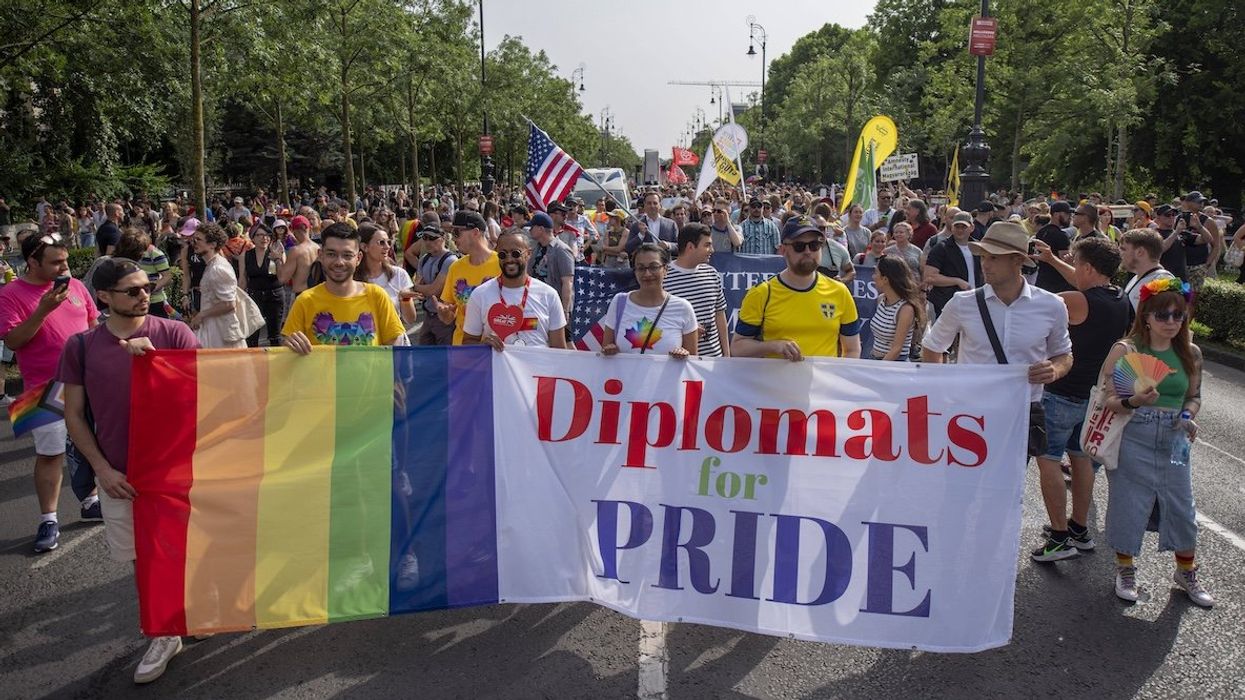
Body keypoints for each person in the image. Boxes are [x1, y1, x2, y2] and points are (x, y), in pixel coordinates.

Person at [60, 258, 200, 683]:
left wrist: (158, 365)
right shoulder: (81, 346)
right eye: (133, 290)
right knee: (142, 558)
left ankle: (189, 615)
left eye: (147, 286)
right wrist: (102, 469)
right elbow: (74, 415)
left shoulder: (174, 333)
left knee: (188, 548)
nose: (145, 295)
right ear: (103, 297)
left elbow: (208, 393)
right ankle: (163, 631)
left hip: (177, 470)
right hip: (121, 476)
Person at [1098, 278, 1212, 607]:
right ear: (1146, 314)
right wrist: (1134, 400)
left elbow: (1194, 397)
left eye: (1178, 315)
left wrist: (1188, 417)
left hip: (1175, 436)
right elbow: (1108, 399)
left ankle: (1186, 571)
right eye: (1163, 315)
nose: (1171, 322)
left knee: (1182, 507)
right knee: (1128, 504)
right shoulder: (1127, 349)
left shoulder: (1191, 352)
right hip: (1135, 433)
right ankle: (1125, 569)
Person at [922, 222, 1073, 460]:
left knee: (1010, 491)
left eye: (993, 257)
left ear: (1017, 261)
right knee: (962, 489)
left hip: (1021, 413)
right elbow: (932, 348)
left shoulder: (1052, 305)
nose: (985, 264)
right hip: (968, 413)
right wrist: (945, 391)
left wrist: (1053, 369)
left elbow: (1064, 355)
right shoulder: (963, 302)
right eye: (983, 256)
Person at [1027, 237, 1132, 562]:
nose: (1072, 267)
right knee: (1081, 458)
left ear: (1087, 267)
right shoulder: (1121, 298)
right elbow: (1083, 283)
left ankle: (1059, 537)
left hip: (1062, 393)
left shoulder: (1073, 300)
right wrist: (1053, 260)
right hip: (1094, 396)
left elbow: (1036, 305)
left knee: (1048, 461)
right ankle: (1079, 528)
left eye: (1076, 262)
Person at [0, 232, 101, 552]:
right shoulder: (11, 294)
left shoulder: (76, 287)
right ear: (31, 262)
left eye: (66, 260)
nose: (64, 267)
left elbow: (94, 327)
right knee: (51, 453)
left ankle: (91, 501)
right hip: (43, 388)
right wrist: (42, 310)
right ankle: (48, 519)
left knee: (92, 446)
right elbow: (13, 342)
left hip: (86, 381)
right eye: (56, 262)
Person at [732, 218, 862, 361]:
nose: (807, 251)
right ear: (783, 250)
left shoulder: (839, 292)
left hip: (823, 382)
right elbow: (738, 347)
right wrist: (773, 346)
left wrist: (837, 379)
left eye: (814, 245)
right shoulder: (762, 293)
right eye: (799, 246)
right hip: (776, 382)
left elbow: (852, 349)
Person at [282, 223, 406, 350]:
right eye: (331, 254)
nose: (339, 262)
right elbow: (288, 347)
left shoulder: (377, 296)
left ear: (358, 258)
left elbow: (394, 346)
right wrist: (291, 344)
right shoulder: (305, 301)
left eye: (347, 255)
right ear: (320, 255)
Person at [462, 231, 567, 349]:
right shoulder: (480, 295)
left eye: (516, 253)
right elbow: (467, 344)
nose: (509, 259)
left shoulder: (549, 295)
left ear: (528, 254)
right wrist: (483, 345)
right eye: (502, 254)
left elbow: (559, 349)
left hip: (538, 367)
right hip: (498, 367)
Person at [600, 243, 697, 358]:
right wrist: (609, 350)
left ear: (665, 270)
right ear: (635, 272)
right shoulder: (619, 302)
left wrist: (684, 355)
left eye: (653, 267)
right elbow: (605, 350)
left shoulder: (683, 307)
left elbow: (693, 361)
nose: (647, 274)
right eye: (641, 268)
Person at [664, 223, 730, 358]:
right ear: (690, 247)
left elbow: (720, 315)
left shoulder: (712, 273)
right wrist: (687, 333)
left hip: (714, 361)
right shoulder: (664, 277)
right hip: (679, 363)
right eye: (707, 245)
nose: (712, 250)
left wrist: (727, 355)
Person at [438, 210, 500, 345]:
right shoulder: (456, 267)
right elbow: (450, 314)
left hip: (497, 349)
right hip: (463, 348)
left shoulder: (502, 265)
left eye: (457, 233)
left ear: (475, 232)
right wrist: (445, 314)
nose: (453, 238)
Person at [187, 223, 245, 348]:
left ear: (212, 244)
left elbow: (229, 304)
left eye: (199, 239)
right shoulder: (212, 265)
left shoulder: (218, 268)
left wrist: (201, 315)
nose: (194, 243)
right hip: (213, 328)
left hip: (221, 332)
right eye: (193, 239)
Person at [355, 223, 417, 327]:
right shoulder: (352, 279)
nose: (387, 247)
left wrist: (405, 299)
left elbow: (410, 319)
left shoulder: (398, 274)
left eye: (388, 242)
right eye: (381, 243)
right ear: (364, 247)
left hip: (395, 339)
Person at [923, 212, 983, 318]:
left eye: (964, 227)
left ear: (972, 227)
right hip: (947, 304)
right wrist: (957, 281)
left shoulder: (979, 248)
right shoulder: (941, 248)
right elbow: (929, 276)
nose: (960, 230)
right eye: (957, 226)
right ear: (952, 227)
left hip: (975, 302)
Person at [869, 255, 923, 361]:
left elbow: (896, 349)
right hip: (874, 358)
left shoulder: (906, 309)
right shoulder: (881, 300)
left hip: (894, 365)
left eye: (876, 273)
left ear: (885, 279)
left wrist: (878, 369)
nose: (873, 277)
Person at [239, 225, 285, 347]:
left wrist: (278, 259)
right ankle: (252, 362)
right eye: (259, 235)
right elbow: (242, 279)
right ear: (253, 238)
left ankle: (277, 363)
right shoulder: (245, 255)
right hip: (254, 295)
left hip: (274, 295)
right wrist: (238, 298)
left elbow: (283, 277)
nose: (264, 238)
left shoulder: (276, 252)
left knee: (275, 334)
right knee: (252, 334)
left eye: (267, 235)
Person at [412, 221, 457, 345]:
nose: (427, 242)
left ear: (442, 239)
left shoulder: (450, 260)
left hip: (444, 317)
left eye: (432, 238)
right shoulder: (424, 259)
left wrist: (416, 288)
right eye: (425, 238)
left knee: (444, 357)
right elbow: (419, 290)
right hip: (429, 315)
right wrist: (419, 288)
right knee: (424, 354)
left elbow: (433, 290)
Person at [527, 212, 574, 329]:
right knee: (537, 335)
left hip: (555, 306)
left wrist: (564, 310)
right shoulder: (536, 248)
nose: (529, 230)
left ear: (541, 229)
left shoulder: (562, 250)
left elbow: (567, 282)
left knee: (563, 342)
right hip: (536, 305)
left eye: (532, 227)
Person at [1119, 228, 1174, 311]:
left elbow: (1167, 321)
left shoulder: (1164, 281)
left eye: (1123, 249)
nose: (1120, 253)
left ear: (1140, 252)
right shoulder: (1137, 277)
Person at [278, 214, 319, 297]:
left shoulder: (296, 251)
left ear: (293, 230)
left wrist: (277, 259)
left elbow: (283, 278)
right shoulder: (318, 248)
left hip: (301, 295)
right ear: (309, 228)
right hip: (316, 294)